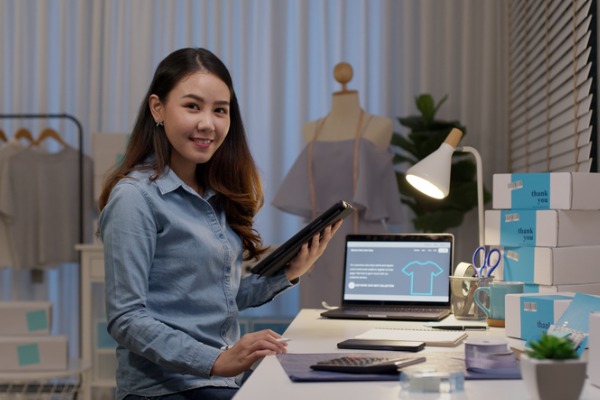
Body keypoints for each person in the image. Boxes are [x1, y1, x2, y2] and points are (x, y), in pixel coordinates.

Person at [97, 47, 342, 400]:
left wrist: (288, 273)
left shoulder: (212, 195)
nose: (207, 124)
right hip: (165, 389)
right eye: (192, 106)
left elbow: (216, 298)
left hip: (218, 381)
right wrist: (217, 360)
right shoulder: (135, 198)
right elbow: (126, 319)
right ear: (158, 108)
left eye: (220, 111)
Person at [272, 62, 403, 309]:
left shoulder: (379, 126)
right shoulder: (311, 129)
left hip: (365, 240)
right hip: (319, 244)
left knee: (370, 319)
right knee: (316, 321)